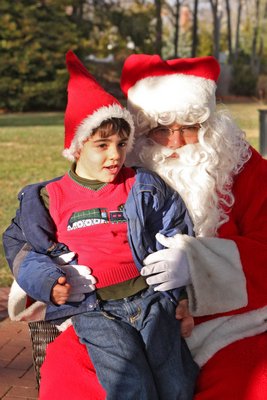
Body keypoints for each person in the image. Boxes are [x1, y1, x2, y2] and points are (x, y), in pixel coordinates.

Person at [4, 53, 267, 400]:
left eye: (188, 127)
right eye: (160, 130)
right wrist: (58, 274)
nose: (174, 143)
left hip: (223, 322)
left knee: (250, 382)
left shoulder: (243, 165)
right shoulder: (113, 169)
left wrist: (199, 266)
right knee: (67, 376)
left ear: (210, 125)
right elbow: (34, 239)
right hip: (110, 310)